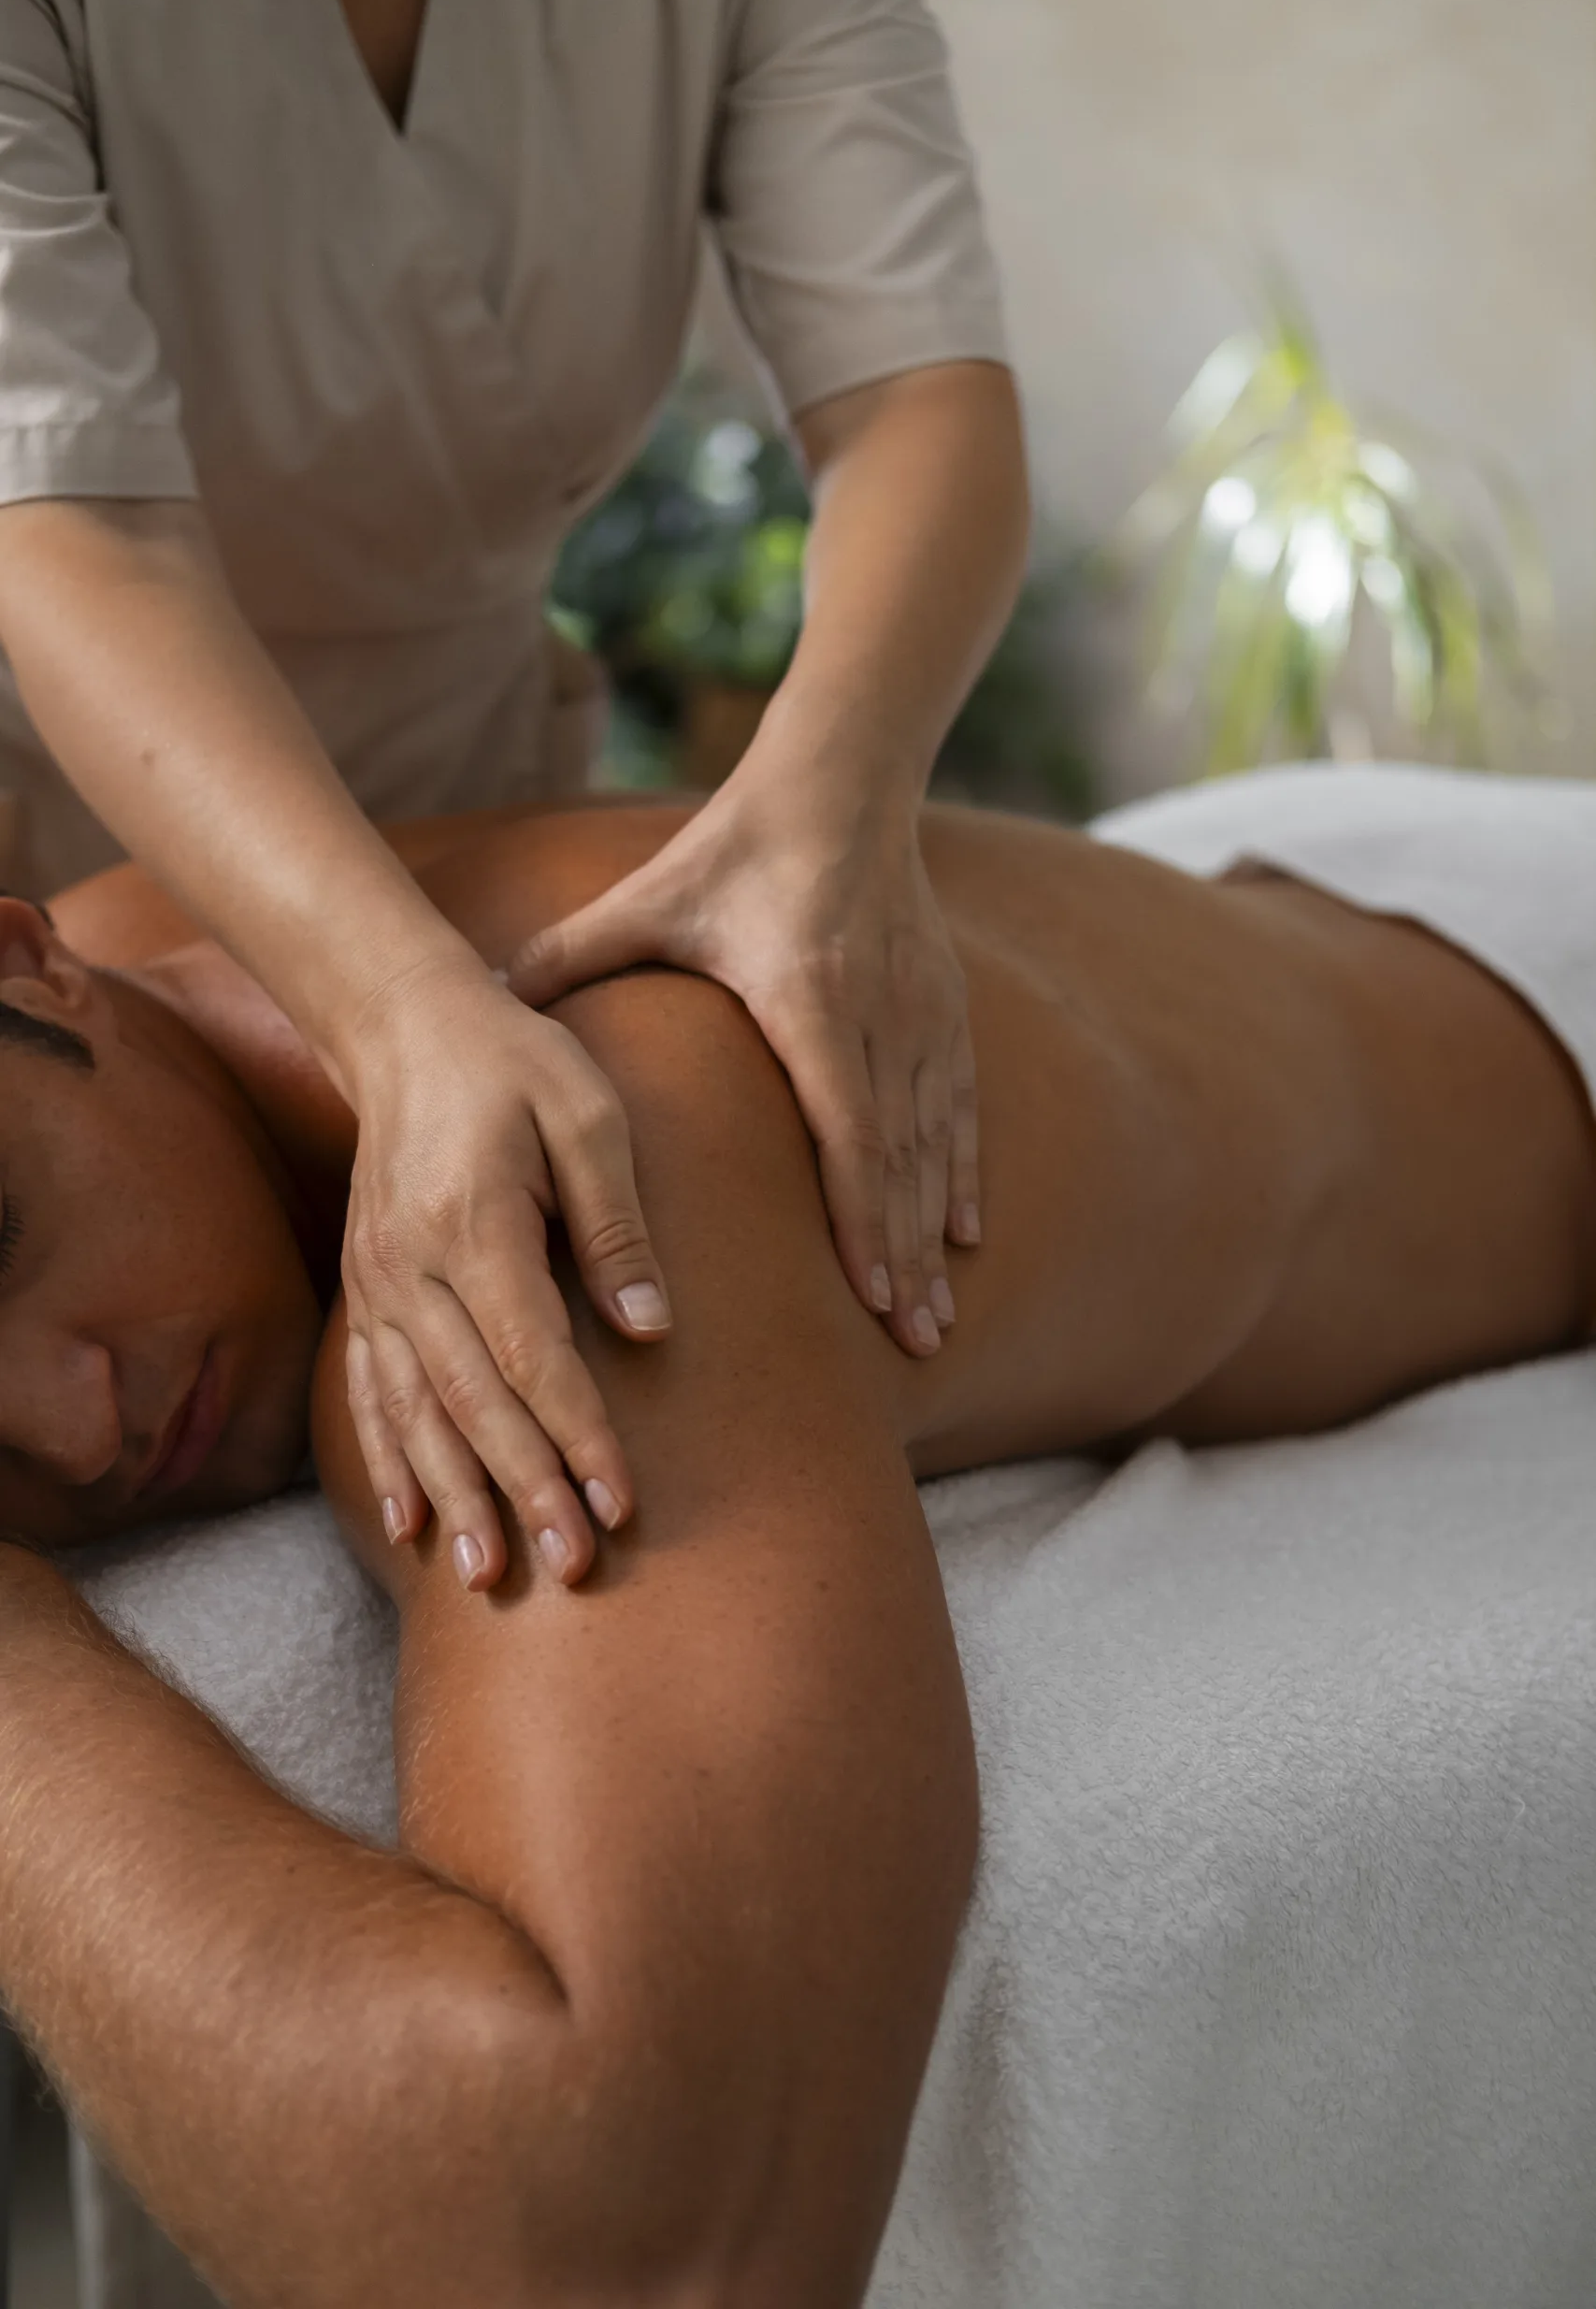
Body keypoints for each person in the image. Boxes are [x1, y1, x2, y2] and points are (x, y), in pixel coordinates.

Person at [0, 777, 1591, 2305]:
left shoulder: (571, 1208)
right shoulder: (139, 931)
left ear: (23, 958)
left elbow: (625, 2262)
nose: (70, 1432)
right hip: (1320, 871)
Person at [0, 0, 1029, 1595]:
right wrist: (397, 1011)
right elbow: (83, 529)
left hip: (484, 768)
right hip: (97, 803)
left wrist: (829, 806)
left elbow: (918, 394)